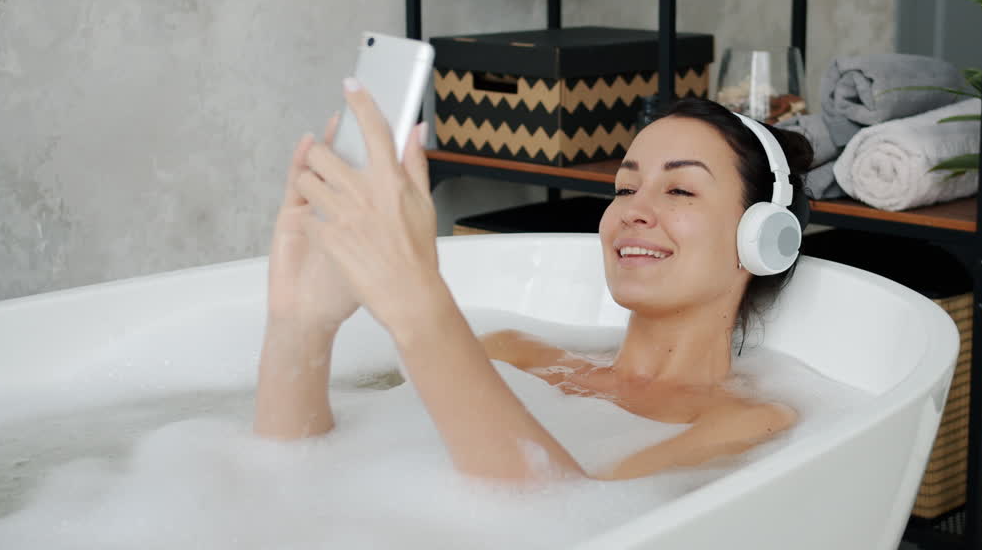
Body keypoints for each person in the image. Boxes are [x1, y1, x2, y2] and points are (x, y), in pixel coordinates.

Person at [254, 79, 815, 482]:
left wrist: (419, 305)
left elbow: (571, 527)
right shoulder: (509, 356)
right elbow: (302, 476)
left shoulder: (746, 422)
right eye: (624, 188)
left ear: (760, 238)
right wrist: (302, 324)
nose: (632, 211)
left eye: (680, 190)